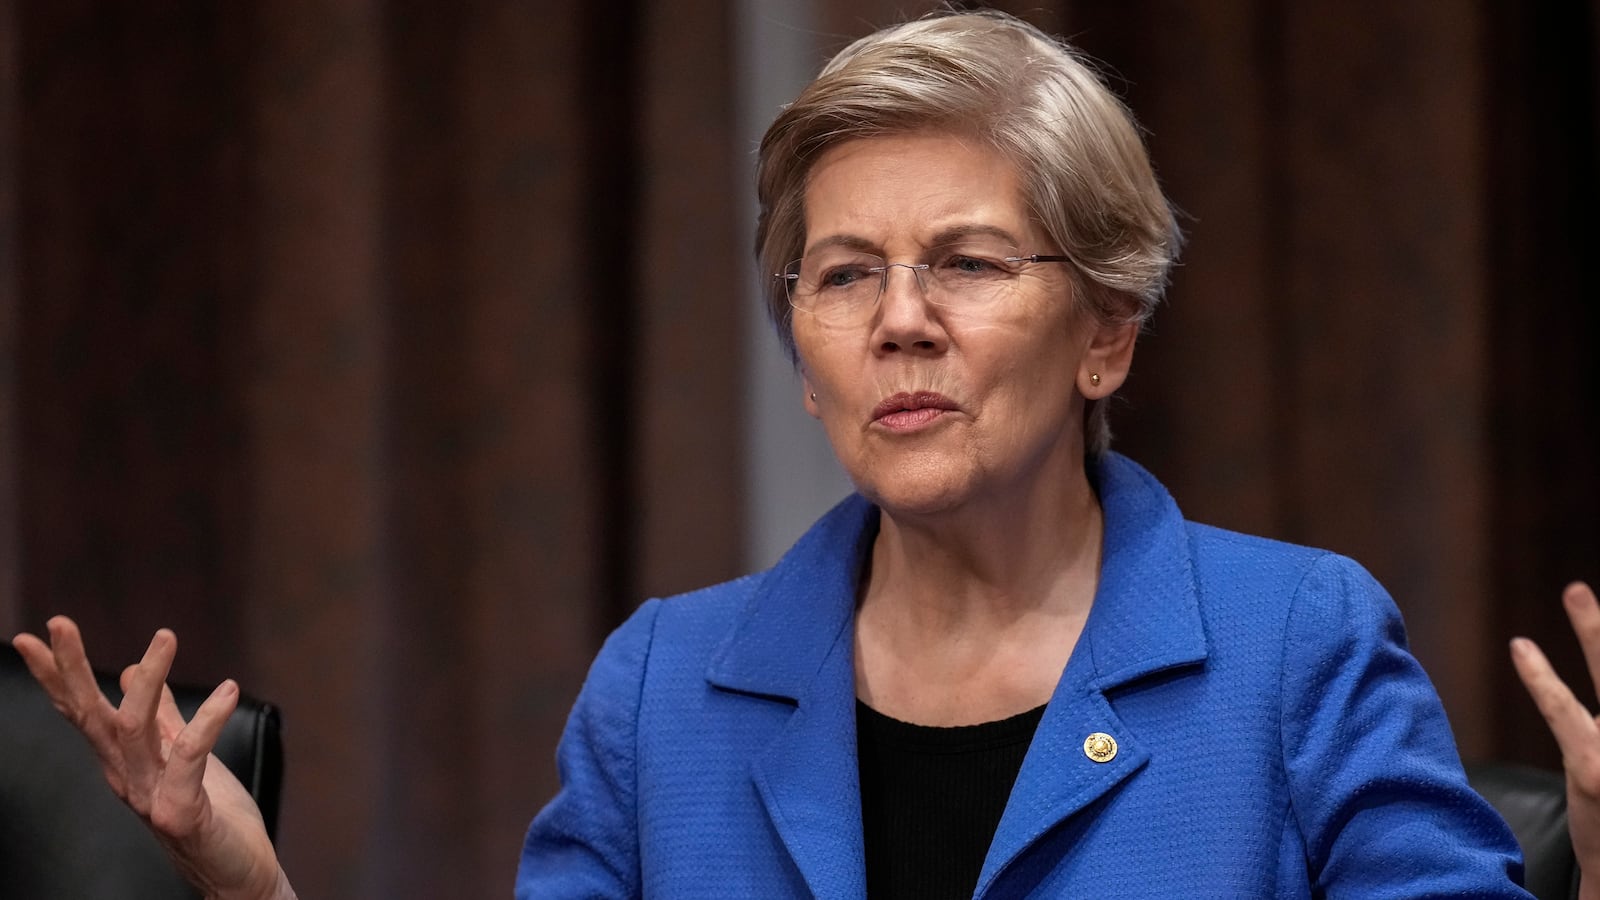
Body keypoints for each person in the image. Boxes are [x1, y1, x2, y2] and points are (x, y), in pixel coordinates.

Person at [8, 9, 1595, 899]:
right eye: (843, 275)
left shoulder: (1297, 644)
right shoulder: (665, 683)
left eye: (968, 262)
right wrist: (249, 885)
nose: (898, 322)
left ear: (1105, 333)